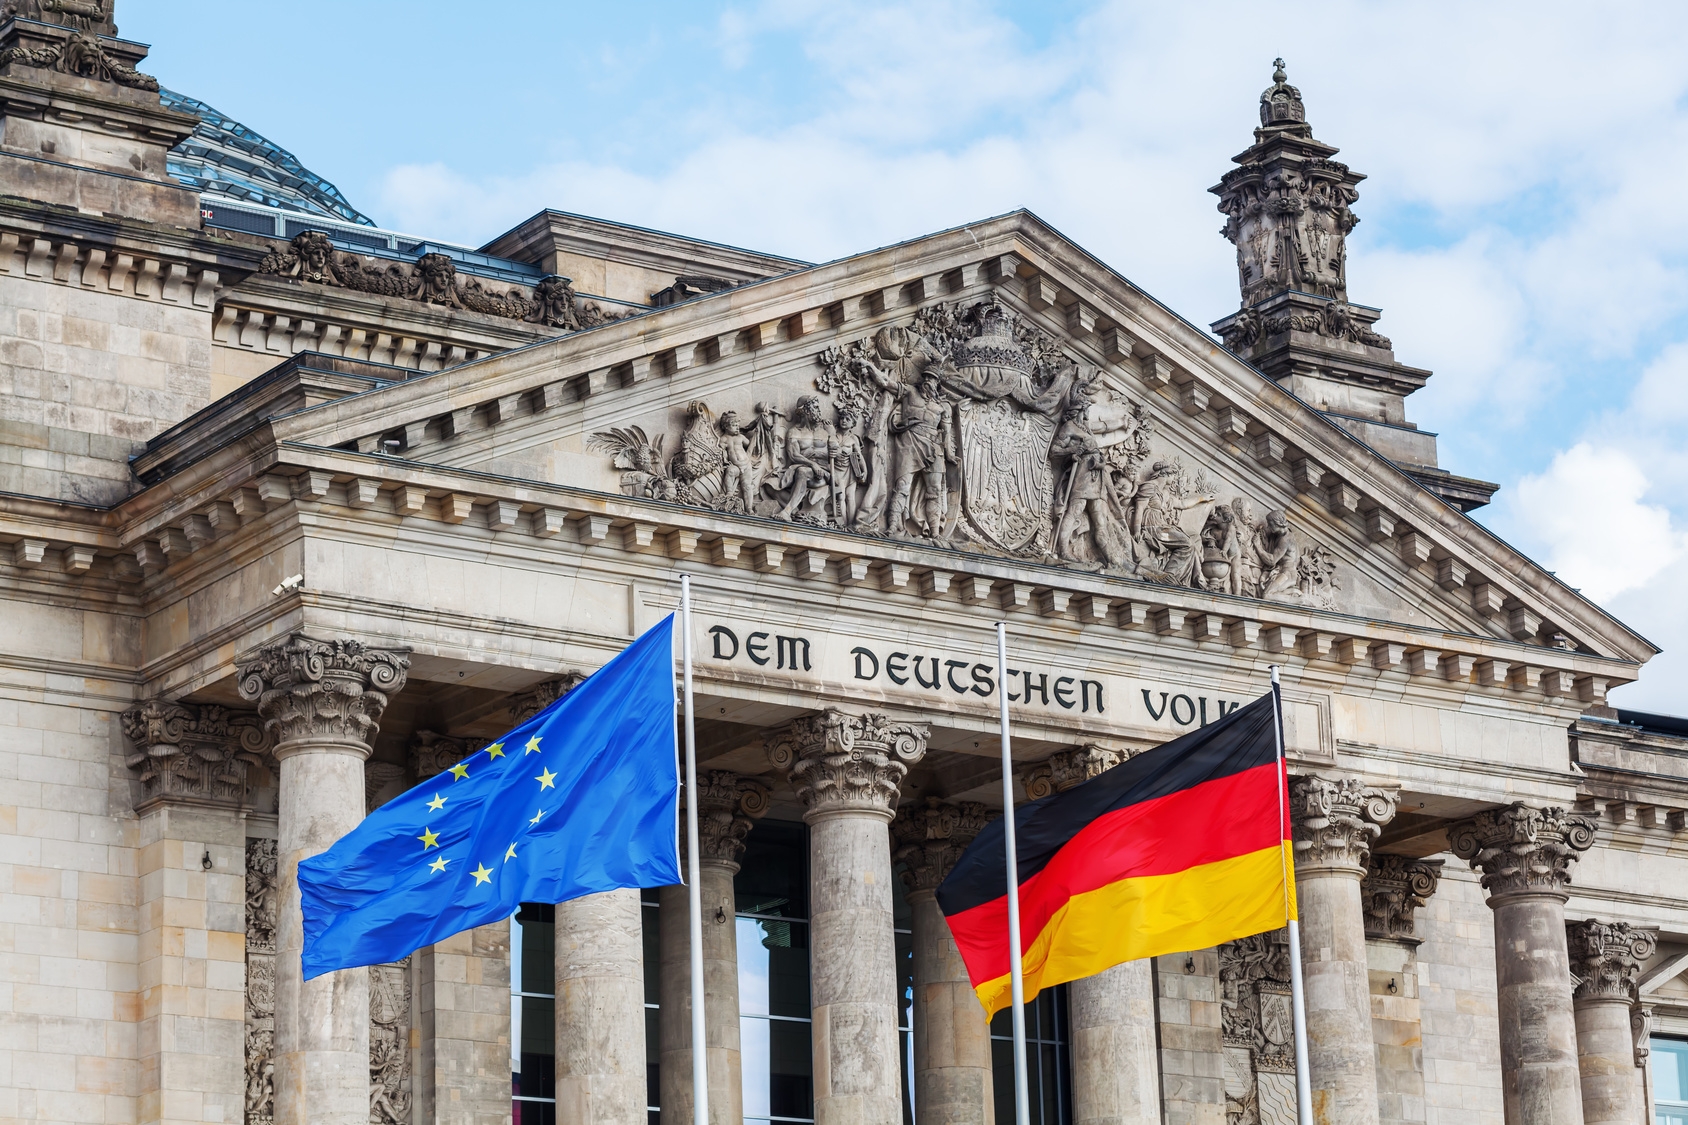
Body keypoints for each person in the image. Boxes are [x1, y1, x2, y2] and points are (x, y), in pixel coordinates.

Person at [885, 369, 955, 539]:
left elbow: (945, 433)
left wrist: (949, 453)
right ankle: (892, 526)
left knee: (935, 490)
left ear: (937, 383)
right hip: (910, 442)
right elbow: (885, 383)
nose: (929, 380)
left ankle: (935, 532)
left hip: (933, 448)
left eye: (933, 378)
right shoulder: (910, 392)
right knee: (902, 486)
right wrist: (868, 366)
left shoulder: (943, 406)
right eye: (927, 377)